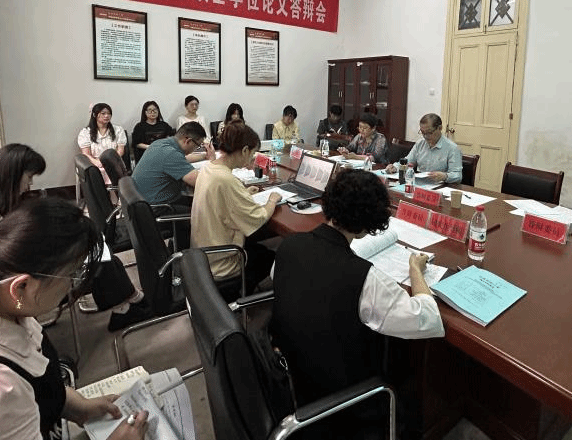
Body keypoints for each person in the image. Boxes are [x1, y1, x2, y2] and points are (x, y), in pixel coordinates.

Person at [0, 197, 149, 440]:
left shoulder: (4, 308)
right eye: (72, 274)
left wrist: (72, 405)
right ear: (21, 287)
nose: (73, 285)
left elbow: (36, 382)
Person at [270, 169, 444, 439]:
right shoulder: (364, 278)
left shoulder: (288, 246)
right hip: (342, 400)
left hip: (289, 374)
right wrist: (415, 271)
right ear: (368, 225)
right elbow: (427, 319)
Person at [0, 144, 149, 332]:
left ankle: (129, 303)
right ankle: (128, 307)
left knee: (96, 251)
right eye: (29, 177)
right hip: (5, 293)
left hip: (10, 282)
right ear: (12, 177)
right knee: (98, 260)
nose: (30, 184)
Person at [191, 122, 280, 301]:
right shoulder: (225, 179)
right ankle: (238, 296)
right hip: (221, 263)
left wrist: (243, 193)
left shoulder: (209, 168)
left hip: (202, 253)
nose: (252, 159)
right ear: (245, 150)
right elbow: (259, 217)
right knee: (272, 257)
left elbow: (221, 200)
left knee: (260, 248)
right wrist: (272, 200)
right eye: (252, 154)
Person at [132, 122, 211, 207]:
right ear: (188, 141)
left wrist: (205, 156)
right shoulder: (171, 154)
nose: (196, 148)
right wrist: (214, 165)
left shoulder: (160, 144)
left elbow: (182, 159)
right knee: (207, 204)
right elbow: (201, 182)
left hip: (144, 199)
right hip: (159, 206)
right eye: (197, 145)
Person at [385, 113, 462, 183]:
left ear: (440, 128)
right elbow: (408, 162)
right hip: (420, 183)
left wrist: (445, 176)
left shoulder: (452, 148)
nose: (426, 137)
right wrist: (395, 167)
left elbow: (457, 176)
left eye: (429, 133)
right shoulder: (420, 143)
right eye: (423, 133)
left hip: (440, 187)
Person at [77, 103, 127, 184]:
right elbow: (86, 154)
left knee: (115, 171)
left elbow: (121, 150)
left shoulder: (118, 130)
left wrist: (111, 161)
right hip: (95, 163)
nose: (106, 116)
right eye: (103, 113)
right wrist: (97, 162)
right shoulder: (85, 132)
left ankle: (116, 191)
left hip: (114, 162)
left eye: (109, 114)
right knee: (94, 172)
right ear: (94, 115)